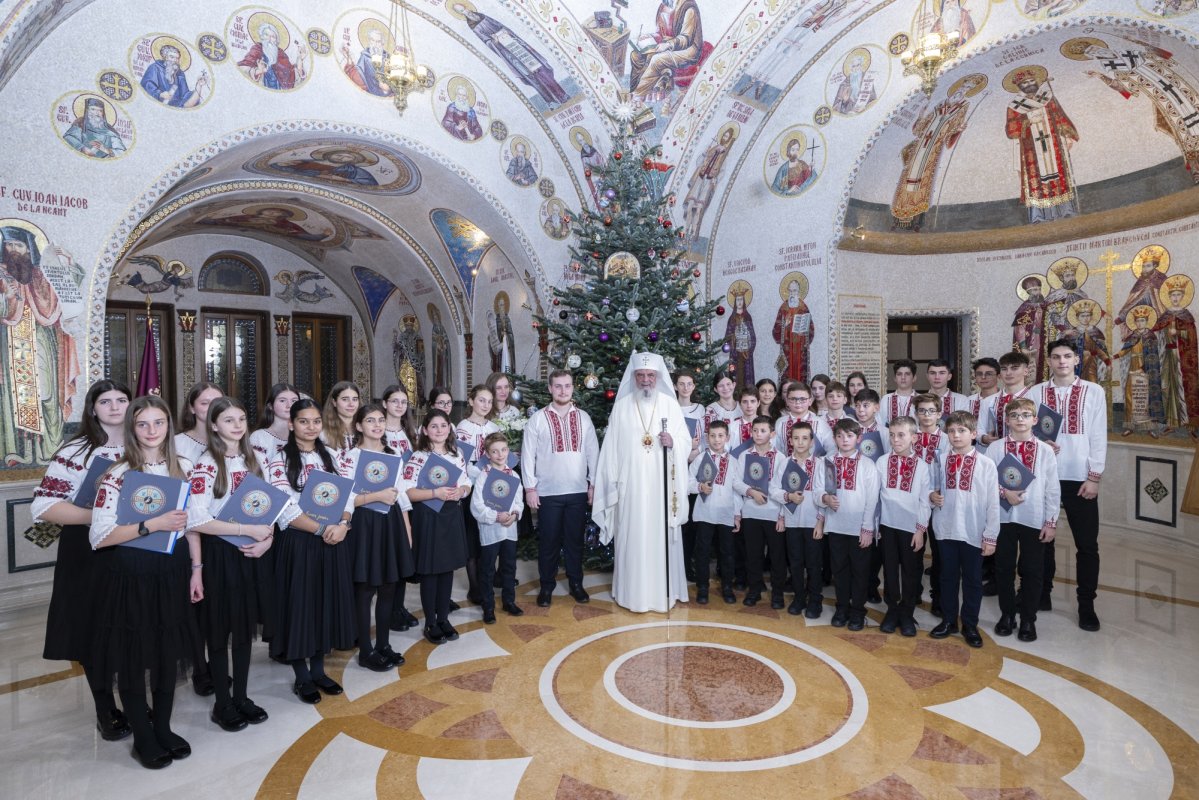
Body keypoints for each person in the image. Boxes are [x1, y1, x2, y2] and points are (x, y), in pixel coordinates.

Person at [88, 395, 197, 769]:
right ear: (132, 429)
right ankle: (143, 736)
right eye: (143, 424)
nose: (152, 431)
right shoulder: (117, 473)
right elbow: (99, 536)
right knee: (135, 655)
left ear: (169, 425)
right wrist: (153, 524)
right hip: (133, 571)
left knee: (168, 652)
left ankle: (163, 727)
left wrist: (197, 569)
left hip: (173, 569)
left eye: (159, 422)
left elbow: (193, 523)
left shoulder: (182, 466)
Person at [33, 380, 130, 741]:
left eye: (122, 399)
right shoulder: (76, 451)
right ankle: (105, 708)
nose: (115, 407)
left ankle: (133, 699)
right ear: (93, 409)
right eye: (106, 401)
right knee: (95, 630)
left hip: (135, 545)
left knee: (130, 625)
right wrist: (103, 516)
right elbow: (43, 507)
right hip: (88, 549)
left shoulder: (145, 444)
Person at [186, 397, 275, 731]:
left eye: (241, 419)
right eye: (228, 420)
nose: (237, 426)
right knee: (221, 630)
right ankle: (222, 702)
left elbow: (268, 508)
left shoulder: (255, 460)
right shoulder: (207, 464)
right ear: (213, 425)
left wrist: (267, 539)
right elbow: (196, 519)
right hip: (221, 555)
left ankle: (242, 696)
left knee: (244, 630)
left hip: (252, 553)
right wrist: (244, 529)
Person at [265, 399, 355, 704]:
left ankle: (318, 670)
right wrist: (319, 529)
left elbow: (349, 495)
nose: (311, 427)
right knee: (300, 607)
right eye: (304, 421)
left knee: (323, 605)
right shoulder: (279, 459)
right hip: (299, 543)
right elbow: (283, 507)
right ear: (291, 424)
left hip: (333, 540)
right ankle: (302, 676)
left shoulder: (330, 454)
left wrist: (343, 524)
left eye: (316, 421)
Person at [592, 352, 691, 613]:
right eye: (640, 375)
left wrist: (674, 443)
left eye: (650, 375)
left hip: (661, 487)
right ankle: (630, 594)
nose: (646, 380)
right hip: (631, 488)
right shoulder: (623, 406)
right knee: (633, 537)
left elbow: (685, 440)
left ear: (658, 377)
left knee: (660, 537)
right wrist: (612, 484)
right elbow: (611, 449)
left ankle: (663, 594)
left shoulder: (670, 405)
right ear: (633, 377)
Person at [1028, 339, 1106, 631]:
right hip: (1045, 475)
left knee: (1086, 544)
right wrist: (1039, 442)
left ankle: (1087, 604)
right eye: (1056, 357)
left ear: (1076, 360)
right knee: (1042, 539)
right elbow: (1025, 429)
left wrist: (1094, 476)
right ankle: (1043, 594)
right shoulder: (1037, 392)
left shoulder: (1093, 392)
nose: (1061, 361)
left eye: (1067, 356)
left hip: (1080, 477)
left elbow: (1098, 435)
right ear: (1048, 361)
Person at [0, 225, 83, 466]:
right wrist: (6, 298)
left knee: (46, 394)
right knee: (15, 397)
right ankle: (20, 452)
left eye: (18, 245)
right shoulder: (2, 274)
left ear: (29, 249)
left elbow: (68, 293)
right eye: (9, 245)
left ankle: (50, 449)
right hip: (11, 345)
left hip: (42, 342)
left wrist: (67, 261)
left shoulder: (40, 275)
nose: (13, 250)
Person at [343, 403, 413, 671]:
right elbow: (346, 497)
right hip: (364, 522)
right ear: (359, 426)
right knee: (365, 588)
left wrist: (407, 528)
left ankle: (383, 644)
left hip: (390, 522)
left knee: (388, 586)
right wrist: (376, 496)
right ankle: (365, 650)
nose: (377, 425)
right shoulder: (350, 457)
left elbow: (402, 494)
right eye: (370, 420)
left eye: (381, 420)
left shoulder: (393, 454)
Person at [985, 398, 1059, 643]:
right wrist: (1003, 493)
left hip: (1033, 516)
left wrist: (1050, 521)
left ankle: (1028, 618)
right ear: (1007, 420)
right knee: (1004, 568)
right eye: (1014, 415)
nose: (1019, 419)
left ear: (1035, 420)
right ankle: (1007, 615)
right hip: (1003, 517)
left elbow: (1052, 488)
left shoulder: (1045, 450)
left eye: (1025, 415)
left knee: (1032, 569)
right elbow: (987, 481)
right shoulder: (996, 449)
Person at [522, 370, 599, 606]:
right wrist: (530, 488)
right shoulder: (537, 419)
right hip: (547, 492)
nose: (563, 390)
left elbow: (593, 453)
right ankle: (547, 587)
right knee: (549, 542)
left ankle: (576, 584)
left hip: (576, 490)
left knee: (575, 541)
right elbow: (527, 455)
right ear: (550, 389)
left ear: (573, 388)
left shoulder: (583, 418)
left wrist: (593, 484)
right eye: (558, 386)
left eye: (567, 386)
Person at [928, 411, 999, 648]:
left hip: (973, 530)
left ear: (974, 433)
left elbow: (992, 502)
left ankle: (970, 623)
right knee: (947, 577)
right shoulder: (939, 460)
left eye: (962, 431)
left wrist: (990, 535)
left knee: (972, 580)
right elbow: (929, 487)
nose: (956, 436)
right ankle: (949, 620)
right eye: (951, 431)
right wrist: (931, 495)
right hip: (946, 527)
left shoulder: (987, 464)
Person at [403, 409, 473, 643]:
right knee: (430, 571)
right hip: (428, 515)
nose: (439, 430)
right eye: (434, 426)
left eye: (444, 426)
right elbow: (408, 493)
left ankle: (443, 618)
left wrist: (461, 491)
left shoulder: (457, 454)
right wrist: (436, 492)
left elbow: (466, 484)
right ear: (425, 430)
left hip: (451, 514)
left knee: (447, 569)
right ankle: (431, 622)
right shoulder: (418, 457)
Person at [815, 418, 879, 630]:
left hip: (859, 528)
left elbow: (872, 499)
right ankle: (842, 607)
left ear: (859, 438)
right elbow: (817, 489)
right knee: (839, 570)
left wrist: (867, 528)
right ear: (834, 438)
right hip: (835, 526)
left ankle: (858, 611)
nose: (844, 440)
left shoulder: (868, 464)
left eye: (849, 436)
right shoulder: (827, 461)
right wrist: (825, 498)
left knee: (860, 571)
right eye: (840, 436)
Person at [875, 416, 931, 637]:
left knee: (911, 570)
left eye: (901, 435)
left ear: (913, 438)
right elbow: (875, 497)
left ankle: (907, 612)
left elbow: (924, 501)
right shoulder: (881, 462)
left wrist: (920, 529)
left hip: (911, 528)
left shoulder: (922, 466)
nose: (895, 440)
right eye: (892, 435)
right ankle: (892, 609)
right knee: (889, 569)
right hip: (887, 525)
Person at [452, 3, 569, 106]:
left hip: (515, 45)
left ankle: (562, 95)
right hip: (508, 53)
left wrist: (505, 31)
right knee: (531, 76)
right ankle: (550, 100)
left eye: (464, 9)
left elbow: (500, 25)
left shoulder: (482, 16)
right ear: (461, 14)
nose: (466, 12)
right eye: (462, 11)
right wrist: (494, 41)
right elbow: (486, 41)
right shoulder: (474, 27)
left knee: (541, 69)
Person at [1004, 66, 1079, 223]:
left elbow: (1059, 116)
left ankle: (1066, 210)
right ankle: (1039, 215)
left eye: (1032, 80)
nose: (1030, 84)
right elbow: (1011, 131)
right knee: (1036, 180)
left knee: (1060, 176)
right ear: (1019, 86)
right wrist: (1027, 120)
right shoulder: (1015, 106)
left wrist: (1067, 134)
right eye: (1025, 83)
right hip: (1031, 151)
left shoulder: (1047, 97)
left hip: (1054, 145)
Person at [471, 432, 525, 624]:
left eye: (503, 450)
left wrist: (514, 514)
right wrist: (496, 516)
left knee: (509, 567)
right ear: (487, 454)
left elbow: (519, 501)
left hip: (509, 530)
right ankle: (488, 607)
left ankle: (509, 601)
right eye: (495, 451)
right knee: (487, 570)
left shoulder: (514, 475)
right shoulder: (483, 477)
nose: (500, 454)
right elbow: (476, 506)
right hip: (490, 531)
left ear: (508, 451)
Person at [732, 416, 786, 608]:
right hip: (751, 512)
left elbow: (782, 487)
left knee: (777, 556)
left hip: (772, 513)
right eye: (755, 431)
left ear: (772, 434)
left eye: (763, 431)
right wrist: (751, 492)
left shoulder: (780, 458)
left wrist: (781, 515)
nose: (758, 434)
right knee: (752, 554)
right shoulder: (745, 455)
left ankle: (777, 594)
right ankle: (754, 590)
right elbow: (736, 482)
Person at [771, 421, 823, 617]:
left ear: (812, 442)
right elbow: (774, 489)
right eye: (796, 438)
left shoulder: (820, 464)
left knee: (813, 563)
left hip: (812, 522)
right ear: (790, 440)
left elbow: (825, 493)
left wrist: (820, 520)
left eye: (804, 438)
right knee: (795, 561)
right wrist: (788, 498)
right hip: (792, 521)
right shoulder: (785, 463)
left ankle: (815, 600)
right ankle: (799, 597)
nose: (800, 442)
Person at [457, 384, 499, 606]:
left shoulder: (493, 427)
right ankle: (475, 588)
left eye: (489, 401)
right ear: (471, 401)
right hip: (470, 486)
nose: (485, 405)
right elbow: (460, 460)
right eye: (481, 400)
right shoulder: (462, 428)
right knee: (473, 538)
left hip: (490, 484)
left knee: (488, 536)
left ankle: (487, 583)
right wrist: (476, 474)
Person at [689, 420, 737, 604]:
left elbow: (736, 489)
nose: (717, 440)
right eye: (713, 436)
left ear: (727, 437)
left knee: (727, 552)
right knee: (702, 551)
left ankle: (727, 587)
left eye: (720, 436)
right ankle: (703, 587)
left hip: (726, 514)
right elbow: (687, 481)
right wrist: (699, 486)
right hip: (705, 513)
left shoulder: (733, 462)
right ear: (707, 438)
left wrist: (737, 514)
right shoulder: (701, 458)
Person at [913, 393, 949, 617]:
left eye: (931, 411)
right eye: (922, 411)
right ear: (916, 414)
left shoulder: (946, 439)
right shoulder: (910, 437)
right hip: (915, 500)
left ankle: (938, 595)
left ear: (939, 413)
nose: (926, 416)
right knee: (914, 549)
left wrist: (939, 493)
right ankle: (913, 590)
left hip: (938, 500)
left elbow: (949, 470)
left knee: (939, 552)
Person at [629, 0, 705, 99]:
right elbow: (661, 32)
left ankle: (637, 96)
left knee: (657, 60)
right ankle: (633, 89)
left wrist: (668, 44)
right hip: (668, 44)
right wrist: (650, 36)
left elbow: (686, 39)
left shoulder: (689, 8)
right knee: (636, 55)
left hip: (689, 50)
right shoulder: (665, 5)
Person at [979, 352, 1032, 450]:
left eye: (1014, 368)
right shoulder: (988, 401)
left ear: (1026, 371)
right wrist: (984, 438)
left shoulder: (1034, 398)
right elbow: (980, 428)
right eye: (1004, 369)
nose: (1008, 373)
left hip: (1027, 452)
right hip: (996, 452)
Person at [237, 22, 306, 90]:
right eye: (266, 35)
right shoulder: (256, 50)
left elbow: (290, 74)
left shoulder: (281, 54)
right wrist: (258, 71)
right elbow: (243, 67)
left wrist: (300, 60)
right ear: (261, 37)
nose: (269, 39)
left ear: (276, 40)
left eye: (273, 37)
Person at [773, 278, 815, 384]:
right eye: (791, 291)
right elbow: (776, 330)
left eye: (795, 291)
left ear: (799, 291)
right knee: (786, 373)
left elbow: (810, 328)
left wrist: (804, 334)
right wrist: (784, 324)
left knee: (801, 373)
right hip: (787, 348)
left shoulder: (803, 307)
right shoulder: (783, 307)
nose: (792, 293)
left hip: (800, 349)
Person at [140, 44, 209, 107]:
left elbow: (185, 95)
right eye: (171, 57)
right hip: (157, 103)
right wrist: (160, 94)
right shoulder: (155, 67)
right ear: (165, 57)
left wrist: (199, 85)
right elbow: (146, 84)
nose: (175, 60)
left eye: (177, 58)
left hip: (176, 105)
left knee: (190, 96)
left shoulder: (180, 74)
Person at [251, 383, 299, 472]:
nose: (289, 405)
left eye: (294, 401)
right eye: (282, 401)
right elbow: (256, 473)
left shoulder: (305, 434)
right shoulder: (259, 437)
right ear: (270, 406)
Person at [62, 97, 127, 158]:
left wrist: (106, 150)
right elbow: (68, 137)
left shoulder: (110, 132)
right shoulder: (80, 125)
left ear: (103, 114)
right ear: (87, 111)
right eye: (93, 109)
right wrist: (83, 148)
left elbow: (122, 152)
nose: (97, 113)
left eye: (100, 111)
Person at [176, 382, 223, 464]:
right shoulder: (176, 443)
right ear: (192, 408)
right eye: (205, 403)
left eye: (217, 403)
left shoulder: (232, 440)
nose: (212, 407)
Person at [321, 381, 361, 454]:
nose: (351, 404)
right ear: (334, 402)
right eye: (345, 399)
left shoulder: (364, 428)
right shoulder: (323, 432)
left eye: (355, 399)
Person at [880, 360, 918, 426]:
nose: (903, 377)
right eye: (899, 374)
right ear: (895, 378)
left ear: (914, 378)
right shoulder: (886, 399)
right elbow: (880, 424)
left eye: (907, 374)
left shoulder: (921, 399)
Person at [705, 370, 741, 434]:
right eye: (721, 386)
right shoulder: (711, 410)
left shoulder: (742, 406)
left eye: (728, 384)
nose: (725, 388)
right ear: (715, 389)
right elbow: (708, 435)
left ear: (734, 385)